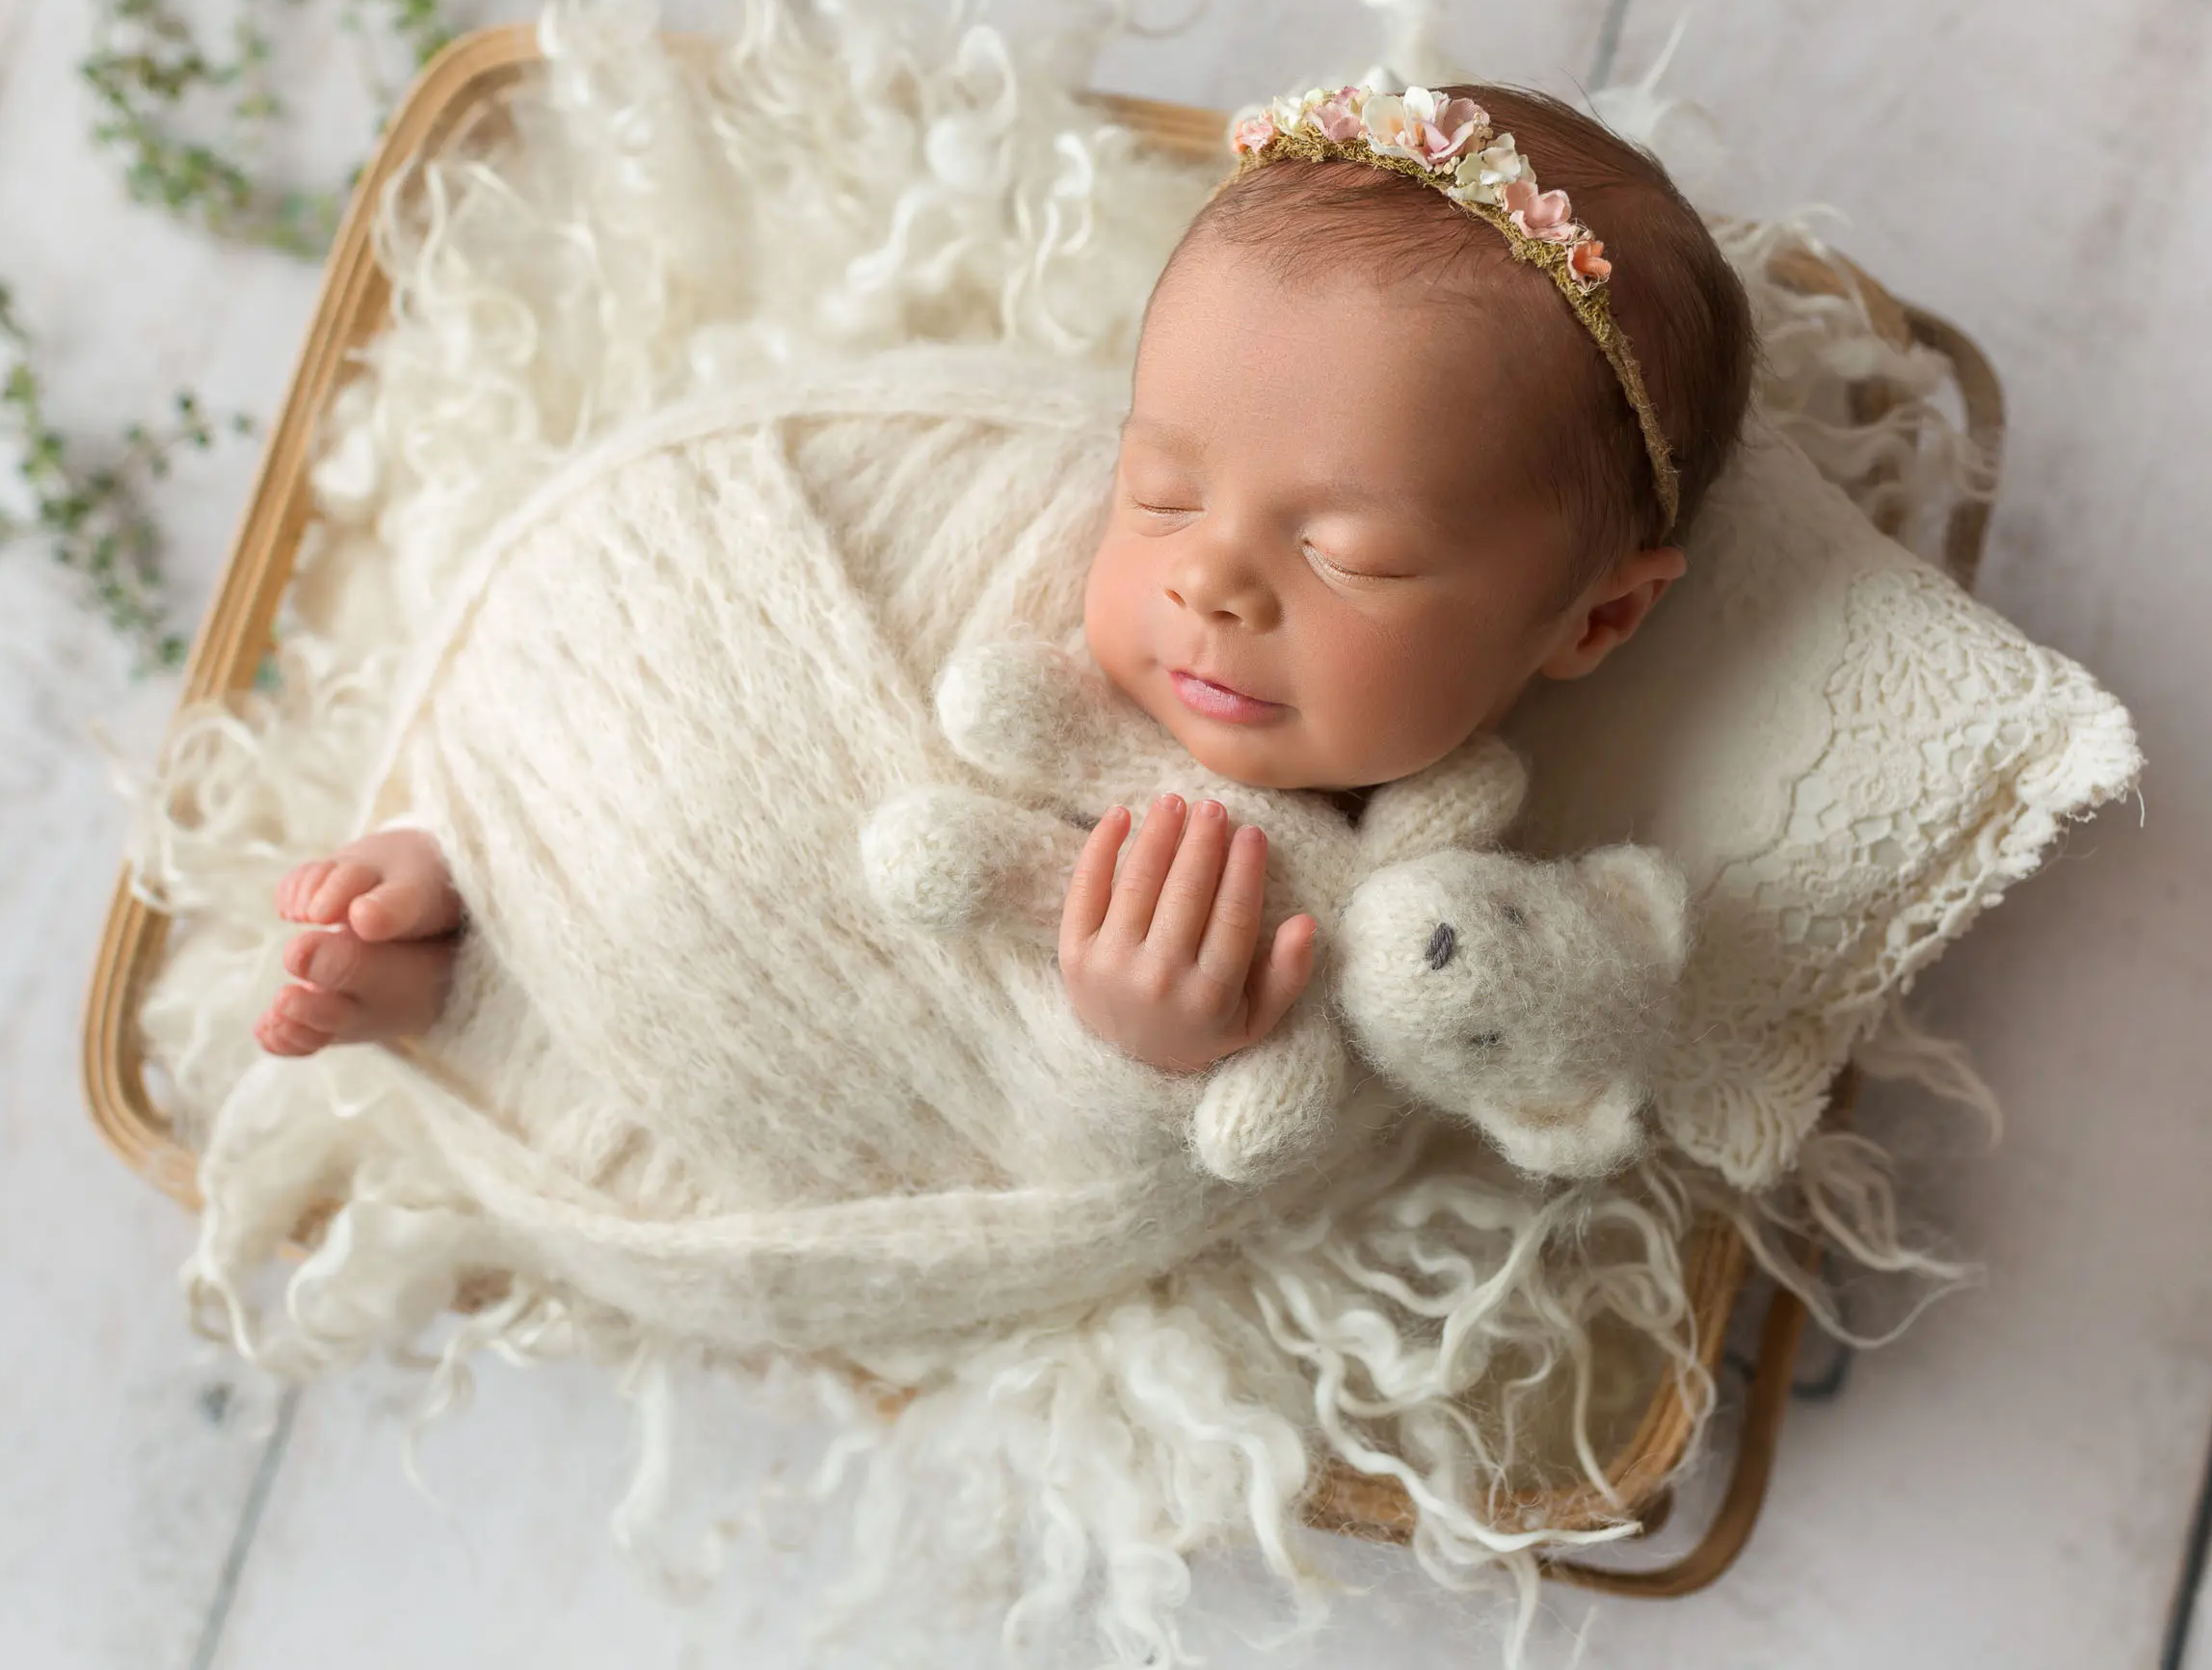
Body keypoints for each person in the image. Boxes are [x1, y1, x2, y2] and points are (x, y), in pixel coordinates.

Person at [255, 80, 1752, 1078]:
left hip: (802, 1036)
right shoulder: (1023, 512)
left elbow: (1208, 1158)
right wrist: (500, 792)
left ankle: (484, 999)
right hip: (727, 722)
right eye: (1159, 487)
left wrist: (1154, 1051)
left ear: (1597, 617)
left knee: (712, 1039)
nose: (1211, 576)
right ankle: (463, 843)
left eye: (1346, 553)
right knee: (646, 731)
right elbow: (775, 533)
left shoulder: (1408, 920)